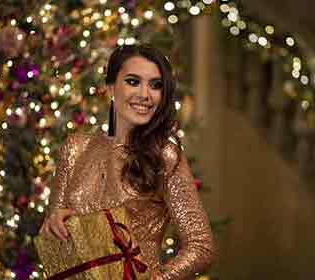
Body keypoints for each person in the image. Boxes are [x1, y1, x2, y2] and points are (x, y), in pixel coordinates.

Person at [39, 44, 216, 279]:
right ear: (111, 87)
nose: (144, 94)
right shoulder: (76, 148)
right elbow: (52, 230)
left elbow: (200, 244)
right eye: (133, 81)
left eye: (155, 85)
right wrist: (54, 224)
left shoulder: (164, 155)